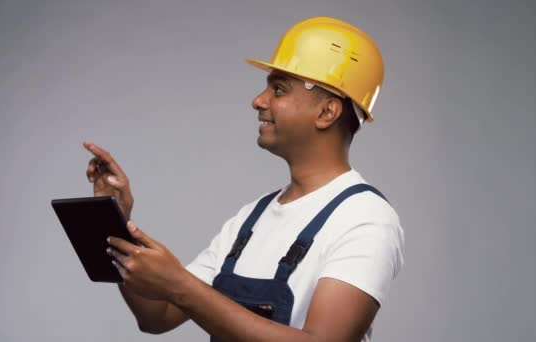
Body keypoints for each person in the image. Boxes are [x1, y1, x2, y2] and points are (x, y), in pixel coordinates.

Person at [83, 16, 404, 342]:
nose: (258, 101)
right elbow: (156, 315)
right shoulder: (250, 220)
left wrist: (180, 284)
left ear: (327, 113)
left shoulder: (366, 219)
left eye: (278, 89)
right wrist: (112, 223)